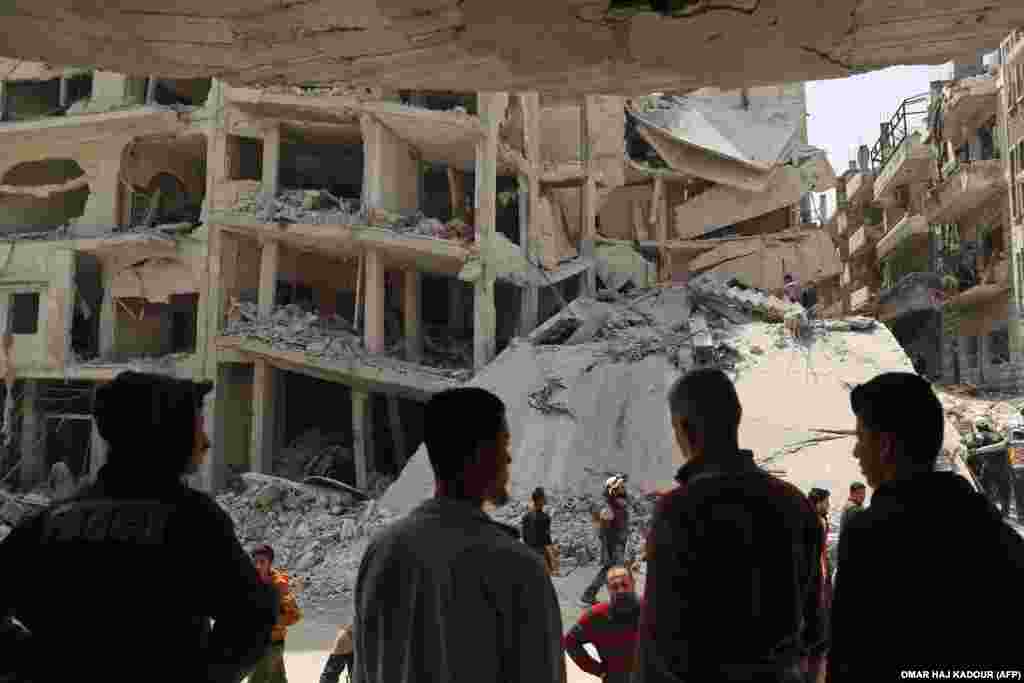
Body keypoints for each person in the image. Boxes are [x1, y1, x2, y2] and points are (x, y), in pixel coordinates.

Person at [0, 371, 277, 682]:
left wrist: (34, 661)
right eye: (198, 428)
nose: (207, 442)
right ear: (170, 434)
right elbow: (252, 614)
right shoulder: (192, 520)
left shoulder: (50, 522)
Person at [353, 387, 565, 683]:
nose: (508, 459)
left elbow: (364, 667)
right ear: (483, 453)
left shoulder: (380, 552)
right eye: (504, 444)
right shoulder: (518, 569)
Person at [828, 372, 1024, 680]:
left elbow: (849, 658)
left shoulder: (870, 534)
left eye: (860, 438)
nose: (856, 451)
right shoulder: (986, 524)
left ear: (886, 446)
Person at [636, 368, 826, 682]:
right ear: (737, 416)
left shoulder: (678, 509)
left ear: (682, 428)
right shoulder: (795, 503)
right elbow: (815, 627)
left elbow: (659, 643)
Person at [563, 565, 642, 683]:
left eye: (624, 585)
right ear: (608, 589)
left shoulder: (650, 609)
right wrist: (598, 670)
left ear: (633, 583)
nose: (620, 590)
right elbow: (570, 641)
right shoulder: (596, 615)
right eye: (614, 587)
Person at [250, 543, 302, 683]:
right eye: (255, 562)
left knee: (257, 679)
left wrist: (274, 620)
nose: (258, 566)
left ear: (269, 563)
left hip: (272, 643)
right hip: (255, 642)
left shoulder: (279, 586)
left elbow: (295, 615)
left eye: (262, 562)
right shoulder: (250, 582)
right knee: (277, 679)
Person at [581, 474, 630, 606]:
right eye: (620, 487)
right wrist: (608, 550)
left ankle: (589, 594)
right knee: (620, 572)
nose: (623, 488)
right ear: (612, 490)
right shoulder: (608, 509)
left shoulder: (620, 505)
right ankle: (621, 600)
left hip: (619, 544)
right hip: (614, 546)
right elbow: (604, 533)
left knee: (609, 571)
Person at [974, 417, 1012, 517]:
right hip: (1001, 467)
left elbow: (977, 452)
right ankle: (1005, 513)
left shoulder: (979, 436)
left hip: (988, 467)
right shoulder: (996, 435)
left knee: (987, 490)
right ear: (986, 425)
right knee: (1004, 491)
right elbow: (1003, 446)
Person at [807, 488, 833, 615]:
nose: (828, 505)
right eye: (826, 501)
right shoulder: (819, 521)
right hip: (819, 569)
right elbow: (821, 550)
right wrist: (823, 572)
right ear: (818, 503)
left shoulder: (808, 519)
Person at [522, 486, 558, 575]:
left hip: (529, 554)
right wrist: (553, 560)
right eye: (544, 498)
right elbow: (547, 540)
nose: (546, 500)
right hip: (541, 555)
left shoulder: (525, 517)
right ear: (540, 500)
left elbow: (524, 538)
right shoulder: (545, 518)